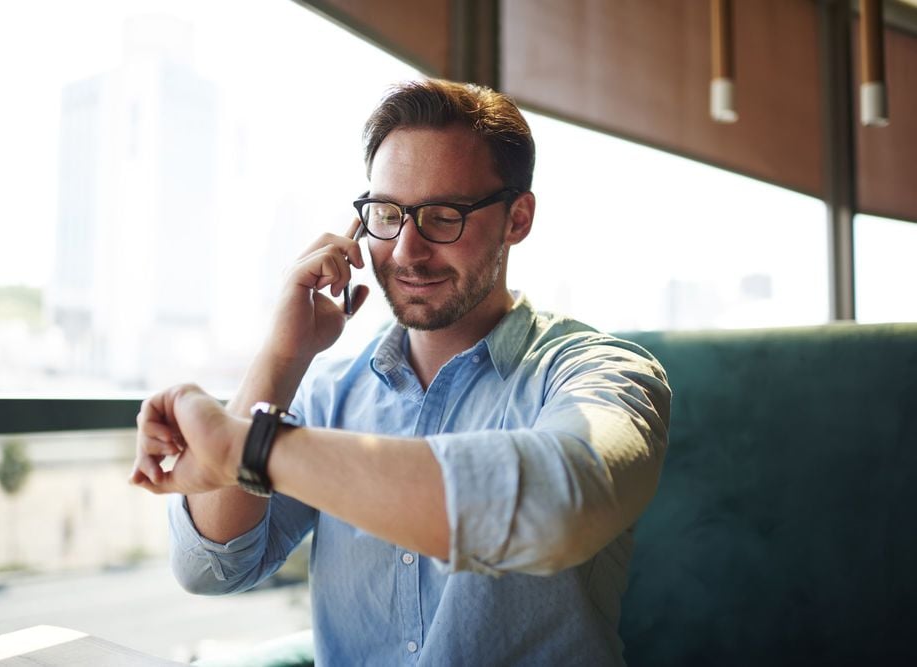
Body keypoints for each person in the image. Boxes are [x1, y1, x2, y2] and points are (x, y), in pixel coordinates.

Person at [131, 79, 671, 666]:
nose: (408, 251)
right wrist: (284, 358)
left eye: (444, 216)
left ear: (518, 218)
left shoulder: (601, 371)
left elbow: (561, 503)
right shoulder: (330, 390)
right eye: (388, 213)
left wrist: (251, 448)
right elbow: (210, 567)